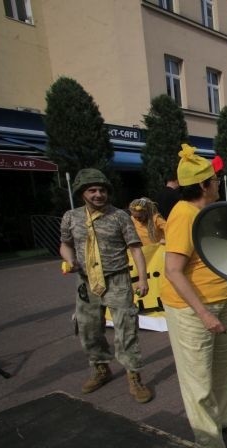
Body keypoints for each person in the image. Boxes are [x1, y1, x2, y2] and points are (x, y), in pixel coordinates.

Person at [161, 144, 227, 448]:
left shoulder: (205, 212)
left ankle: (222, 418)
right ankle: (208, 441)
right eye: (215, 179)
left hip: (218, 301)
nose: (218, 183)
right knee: (198, 377)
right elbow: (173, 270)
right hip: (192, 310)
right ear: (202, 185)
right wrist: (204, 314)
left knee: (222, 368)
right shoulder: (184, 215)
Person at [59, 168, 153, 403]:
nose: (98, 194)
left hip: (117, 280)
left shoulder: (119, 216)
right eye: (92, 190)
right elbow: (65, 244)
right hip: (86, 281)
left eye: (102, 190)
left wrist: (143, 278)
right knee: (89, 329)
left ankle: (134, 376)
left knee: (126, 329)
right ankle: (101, 368)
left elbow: (135, 248)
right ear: (82, 193)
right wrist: (69, 260)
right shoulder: (71, 217)